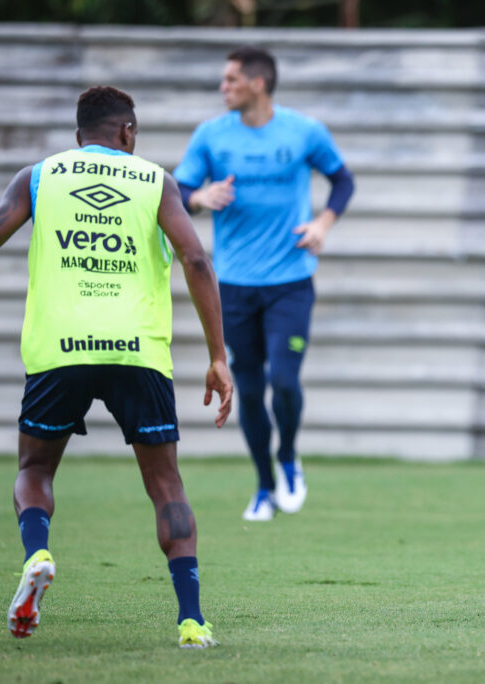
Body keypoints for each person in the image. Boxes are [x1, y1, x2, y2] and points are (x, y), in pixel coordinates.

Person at [0, 86, 233, 648]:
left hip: (59, 350)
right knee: (166, 484)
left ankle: (38, 552)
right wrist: (217, 355)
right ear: (127, 133)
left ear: (78, 138)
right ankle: (191, 620)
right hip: (136, 351)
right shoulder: (156, 182)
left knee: (35, 471)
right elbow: (195, 258)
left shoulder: (38, 177)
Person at [174, 45, 354, 522]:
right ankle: (263, 485)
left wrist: (322, 225)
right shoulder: (211, 136)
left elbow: (343, 181)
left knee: (284, 380)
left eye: (230, 79)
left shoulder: (303, 131)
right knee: (249, 391)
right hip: (231, 285)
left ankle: (289, 458)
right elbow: (175, 193)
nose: (223, 87)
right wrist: (200, 196)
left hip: (290, 281)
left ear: (257, 83)